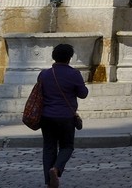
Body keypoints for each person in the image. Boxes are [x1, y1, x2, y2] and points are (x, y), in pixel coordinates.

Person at [38, 42, 89, 188]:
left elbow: (39, 93)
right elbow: (83, 94)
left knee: (49, 148)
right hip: (66, 117)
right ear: (70, 58)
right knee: (67, 146)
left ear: (54, 57)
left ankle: (49, 181)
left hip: (46, 116)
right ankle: (57, 168)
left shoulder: (44, 74)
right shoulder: (74, 74)